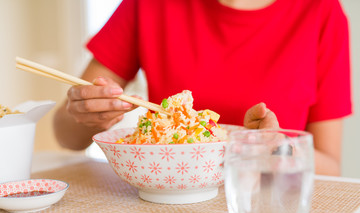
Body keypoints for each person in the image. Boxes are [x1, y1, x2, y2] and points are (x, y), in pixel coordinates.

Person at [53, 0, 352, 176]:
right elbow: (65, 133)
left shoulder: (322, 11)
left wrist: (275, 149)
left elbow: (330, 165)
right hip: (163, 206)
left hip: (261, 208)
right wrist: (84, 112)